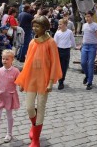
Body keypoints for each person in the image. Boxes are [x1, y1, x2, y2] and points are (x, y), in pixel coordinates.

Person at [14, 16, 62, 147]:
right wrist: (23, 80)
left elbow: (55, 63)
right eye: (34, 26)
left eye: (38, 26)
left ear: (45, 27)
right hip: (31, 79)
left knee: (40, 108)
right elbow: (27, 63)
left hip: (44, 79)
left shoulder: (51, 42)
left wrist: (51, 81)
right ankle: (34, 125)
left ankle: (36, 139)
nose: (35, 28)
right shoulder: (32, 42)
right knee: (29, 107)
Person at [0, 50, 20, 146]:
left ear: (12, 60)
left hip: (10, 97)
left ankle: (9, 134)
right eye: (3, 58)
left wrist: (23, 87)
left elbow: (20, 82)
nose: (4, 60)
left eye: (7, 59)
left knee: (9, 115)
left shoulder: (15, 71)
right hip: (0, 97)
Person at [81, 11, 97, 90]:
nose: (87, 18)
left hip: (92, 46)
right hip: (85, 46)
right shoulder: (84, 25)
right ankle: (87, 75)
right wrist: (81, 44)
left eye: (89, 16)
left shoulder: (95, 25)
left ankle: (90, 82)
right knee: (83, 63)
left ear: (92, 17)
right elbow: (84, 35)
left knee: (90, 64)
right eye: (86, 17)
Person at [53, 18, 75, 90]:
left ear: (65, 25)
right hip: (59, 50)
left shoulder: (69, 32)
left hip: (66, 50)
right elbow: (55, 43)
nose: (59, 25)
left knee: (64, 67)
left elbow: (72, 40)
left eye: (61, 24)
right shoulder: (57, 33)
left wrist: (75, 47)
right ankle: (59, 79)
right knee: (59, 66)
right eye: (59, 24)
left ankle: (61, 81)